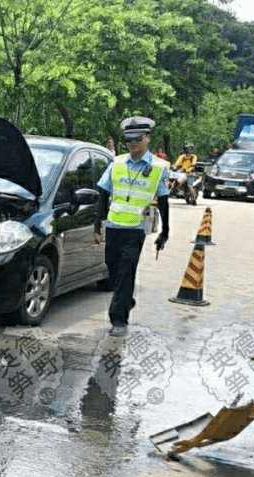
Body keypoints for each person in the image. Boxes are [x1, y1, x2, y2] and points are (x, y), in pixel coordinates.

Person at [93, 116, 170, 337]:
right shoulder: (116, 163)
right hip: (114, 226)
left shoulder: (159, 167)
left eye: (137, 139)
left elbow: (163, 201)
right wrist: (97, 226)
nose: (132, 144)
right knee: (114, 271)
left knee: (127, 271)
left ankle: (119, 319)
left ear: (147, 138)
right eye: (128, 140)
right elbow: (103, 194)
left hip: (136, 230)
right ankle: (127, 299)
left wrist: (165, 232)